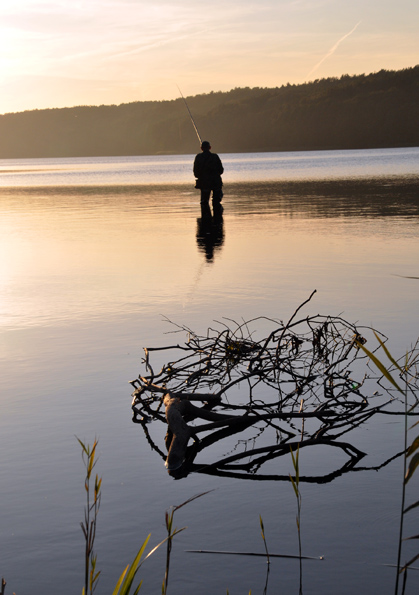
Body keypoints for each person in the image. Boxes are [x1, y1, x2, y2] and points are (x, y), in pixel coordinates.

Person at [193, 141, 224, 209]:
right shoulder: (215, 156)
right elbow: (221, 170)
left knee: (204, 202)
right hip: (216, 182)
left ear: (201, 148)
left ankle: (205, 218)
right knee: (217, 201)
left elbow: (196, 172)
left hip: (204, 183)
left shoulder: (198, 157)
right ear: (210, 147)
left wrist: (202, 177)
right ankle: (217, 217)